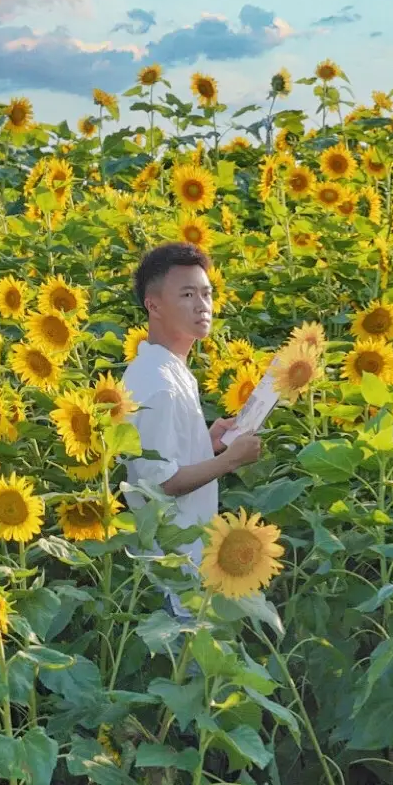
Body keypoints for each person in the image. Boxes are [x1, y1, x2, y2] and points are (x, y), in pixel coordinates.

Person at [121, 242, 261, 602]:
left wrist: (206, 442)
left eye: (206, 293)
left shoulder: (170, 370)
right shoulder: (158, 383)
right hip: (173, 574)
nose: (202, 305)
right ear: (153, 305)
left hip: (188, 563)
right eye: (187, 294)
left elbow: (165, 454)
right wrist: (230, 460)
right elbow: (160, 482)